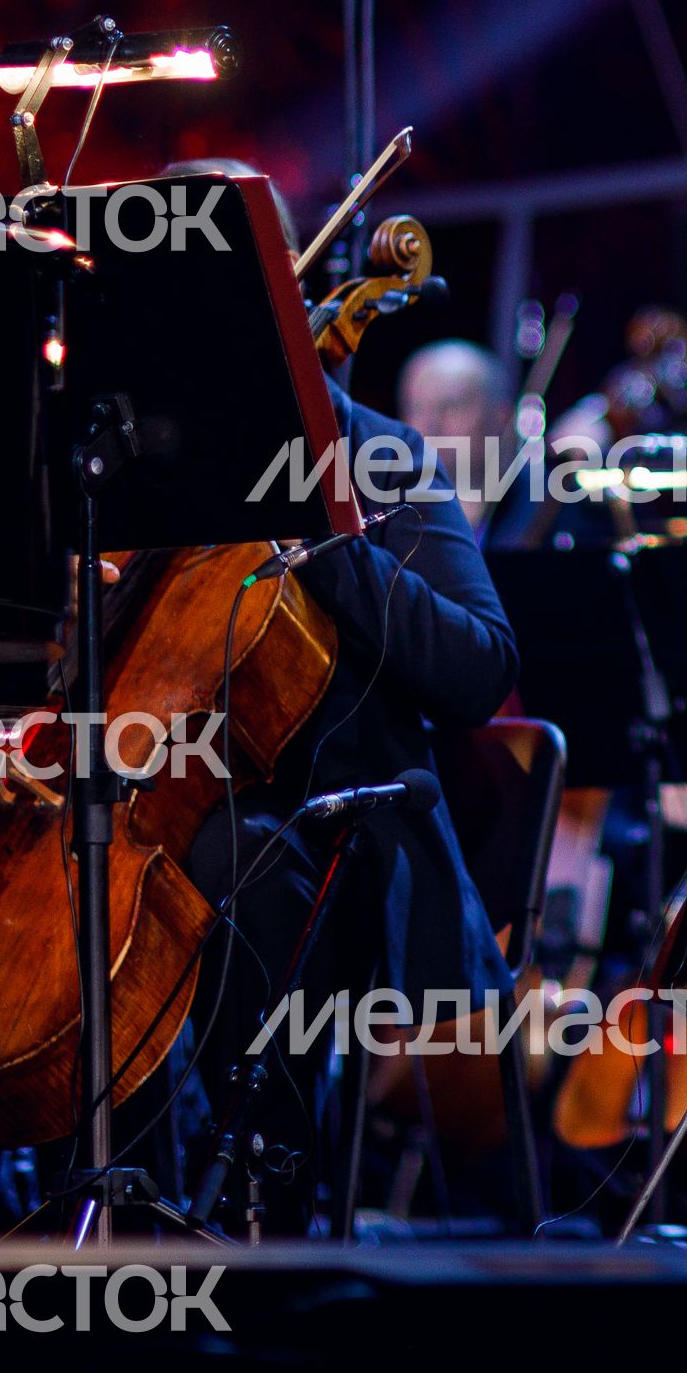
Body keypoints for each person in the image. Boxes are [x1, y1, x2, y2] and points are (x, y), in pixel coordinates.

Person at [159, 162, 523, 1220]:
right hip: (150, 813)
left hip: (339, 837)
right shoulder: (128, 467)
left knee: (233, 861)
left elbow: (479, 668)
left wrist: (328, 538)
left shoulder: (375, 455)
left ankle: (264, 1207)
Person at [397, 339, 515, 539]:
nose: (430, 425)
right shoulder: (392, 520)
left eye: (450, 406)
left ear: (502, 418)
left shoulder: (543, 508)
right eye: (417, 409)